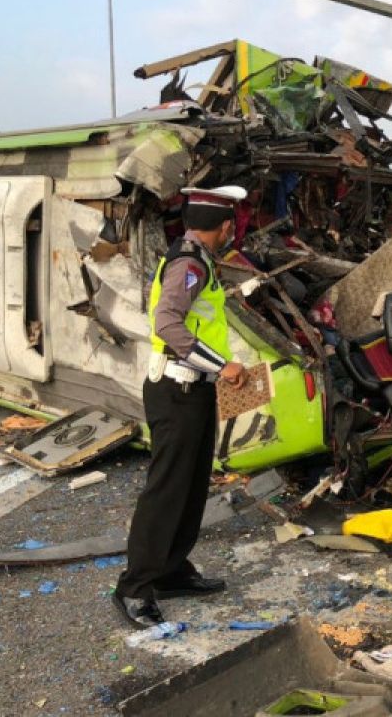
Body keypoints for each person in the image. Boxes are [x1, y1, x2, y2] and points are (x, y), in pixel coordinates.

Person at [113, 185, 248, 628]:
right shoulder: (189, 264)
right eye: (231, 224)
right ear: (223, 226)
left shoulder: (197, 259)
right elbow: (167, 323)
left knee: (191, 486)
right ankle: (134, 587)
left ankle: (171, 570)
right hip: (177, 390)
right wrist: (221, 365)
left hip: (194, 390)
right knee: (167, 489)